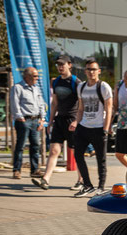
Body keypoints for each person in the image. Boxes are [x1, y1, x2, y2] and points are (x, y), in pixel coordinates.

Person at [32, 55, 82, 190]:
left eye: (63, 64)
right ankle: (45, 180)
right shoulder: (56, 82)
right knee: (54, 150)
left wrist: (77, 121)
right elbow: (54, 103)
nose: (60, 67)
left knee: (76, 152)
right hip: (59, 120)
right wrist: (50, 121)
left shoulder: (76, 82)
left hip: (72, 120)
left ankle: (81, 180)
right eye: (58, 65)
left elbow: (82, 104)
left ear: (69, 65)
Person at [69, 58, 113, 197]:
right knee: (78, 155)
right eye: (88, 69)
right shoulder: (81, 87)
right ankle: (87, 185)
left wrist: (106, 128)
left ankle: (101, 187)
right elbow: (80, 108)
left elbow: (109, 108)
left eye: (94, 69)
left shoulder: (103, 87)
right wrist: (76, 122)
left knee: (101, 159)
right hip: (83, 126)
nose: (91, 72)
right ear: (85, 71)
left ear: (99, 71)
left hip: (99, 127)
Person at [9, 67, 46, 179]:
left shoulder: (35, 88)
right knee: (20, 146)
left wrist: (42, 118)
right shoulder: (18, 87)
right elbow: (14, 103)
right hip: (24, 120)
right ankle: (17, 170)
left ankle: (35, 170)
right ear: (27, 77)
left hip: (35, 121)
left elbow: (41, 104)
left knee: (35, 146)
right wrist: (20, 117)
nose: (37, 78)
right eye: (34, 76)